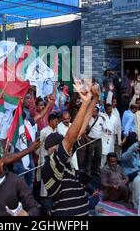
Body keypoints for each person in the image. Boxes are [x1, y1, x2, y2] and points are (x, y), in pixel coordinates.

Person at [41, 79, 99, 216]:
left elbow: (80, 130)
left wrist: (94, 99)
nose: (67, 147)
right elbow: (69, 139)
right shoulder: (50, 164)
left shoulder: (65, 163)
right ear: (53, 149)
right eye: (61, 145)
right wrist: (84, 103)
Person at [85, 106, 107, 176]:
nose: (93, 113)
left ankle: (96, 170)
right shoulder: (88, 118)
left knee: (98, 156)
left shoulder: (101, 119)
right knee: (89, 156)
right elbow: (83, 131)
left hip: (98, 140)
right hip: (90, 139)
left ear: (97, 112)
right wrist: (86, 138)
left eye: (94, 111)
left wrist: (107, 131)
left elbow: (104, 128)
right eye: (92, 111)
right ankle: (88, 170)